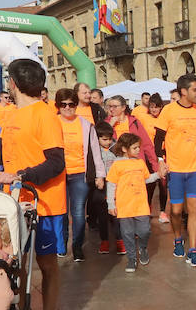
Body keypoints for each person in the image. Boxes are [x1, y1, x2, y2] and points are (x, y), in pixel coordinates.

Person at [0, 58, 67, 310]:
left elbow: (56, 162)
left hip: (44, 203)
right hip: (14, 202)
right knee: (16, 261)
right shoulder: (11, 114)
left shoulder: (44, 114)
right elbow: (0, 146)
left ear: (13, 83)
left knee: (46, 264)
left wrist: (21, 175)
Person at [154, 73, 196, 266]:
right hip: (175, 170)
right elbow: (158, 138)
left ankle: (192, 251)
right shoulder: (168, 111)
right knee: (177, 211)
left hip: (195, 169)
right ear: (184, 91)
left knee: (194, 210)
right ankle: (178, 239)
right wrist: (161, 161)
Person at [54, 86, 106, 262]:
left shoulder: (86, 125)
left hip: (79, 174)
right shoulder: (52, 123)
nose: (68, 108)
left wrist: (100, 175)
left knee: (77, 213)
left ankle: (77, 247)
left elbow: (95, 151)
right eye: (63, 105)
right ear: (58, 106)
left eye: (71, 104)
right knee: (61, 213)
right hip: (58, 175)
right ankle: (61, 245)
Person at [107, 132, 165, 272]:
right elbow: (111, 184)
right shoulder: (117, 165)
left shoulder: (140, 163)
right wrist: (111, 204)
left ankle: (143, 248)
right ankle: (132, 258)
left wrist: (158, 175)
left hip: (140, 205)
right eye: (135, 148)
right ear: (125, 149)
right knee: (127, 234)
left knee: (145, 230)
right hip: (124, 206)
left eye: (139, 147)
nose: (138, 150)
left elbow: (145, 179)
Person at [91, 122, 123, 255]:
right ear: (97, 138)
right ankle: (104, 241)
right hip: (100, 187)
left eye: (109, 139)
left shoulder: (117, 148)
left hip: (115, 187)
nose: (108, 142)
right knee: (102, 216)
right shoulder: (93, 149)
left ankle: (120, 241)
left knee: (116, 216)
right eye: (104, 139)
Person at [138, 94, 170, 222]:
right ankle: (147, 208)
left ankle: (162, 212)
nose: (154, 110)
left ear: (161, 107)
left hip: (162, 155)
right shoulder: (143, 118)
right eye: (151, 107)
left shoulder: (164, 118)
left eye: (156, 107)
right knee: (149, 183)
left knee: (163, 184)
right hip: (147, 155)